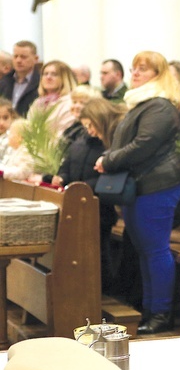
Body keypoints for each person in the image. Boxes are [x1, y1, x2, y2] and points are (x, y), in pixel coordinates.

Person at [95, 51, 180, 335]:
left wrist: (108, 160)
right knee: (146, 250)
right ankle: (149, 310)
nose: (135, 73)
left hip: (158, 186)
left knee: (156, 249)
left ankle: (161, 314)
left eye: (142, 69)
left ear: (158, 75)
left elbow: (143, 144)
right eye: (134, 68)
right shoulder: (141, 104)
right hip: (142, 186)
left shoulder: (159, 106)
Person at [55, 98, 127, 292]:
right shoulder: (80, 141)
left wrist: (85, 187)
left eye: (91, 125)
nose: (89, 130)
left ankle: (103, 290)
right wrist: (62, 177)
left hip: (100, 206)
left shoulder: (111, 143)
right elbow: (68, 163)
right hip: (78, 202)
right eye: (85, 125)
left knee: (99, 251)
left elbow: (110, 176)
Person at [28, 59, 77, 137]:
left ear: (65, 78)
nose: (48, 77)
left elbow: (64, 134)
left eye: (54, 74)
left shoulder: (70, 102)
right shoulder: (37, 102)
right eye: (45, 74)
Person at [0, 41, 40, 117]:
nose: (18, 60)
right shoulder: (4, 82)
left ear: (36, 59)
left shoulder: (41, 83)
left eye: (23, 57)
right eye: (15, 56)